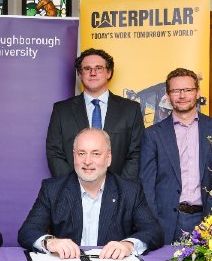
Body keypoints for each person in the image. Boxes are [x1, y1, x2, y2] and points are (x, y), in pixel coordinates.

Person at [19, 128, 160, 259]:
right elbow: (27, 231)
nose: (87, 161)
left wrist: (129, 245)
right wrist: (50, 242)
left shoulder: (130, 191)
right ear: (74, 157)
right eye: (81, 153)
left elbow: (153, 231)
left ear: (108, 158)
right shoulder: (52, 189)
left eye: (96, 154)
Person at [139, 68, 212, 245]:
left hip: (206, 219)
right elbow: (147, 185)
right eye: (175, 91)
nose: (182, 95)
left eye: (188, 90)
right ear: (168, 95)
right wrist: (154, 222)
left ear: (197, 92)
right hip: (167, 222)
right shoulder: (153, 135)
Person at [45, 48, 144, 180]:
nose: (93, 73)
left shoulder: (131, 109)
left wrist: (121, 188)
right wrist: (72, 188)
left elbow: (136, 153)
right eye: (87, 69)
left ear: (109, 72)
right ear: (80, 74)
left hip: (119, 193)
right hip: (72, 192)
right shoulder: (61, 110)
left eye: (98, 68)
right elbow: (54, 153)